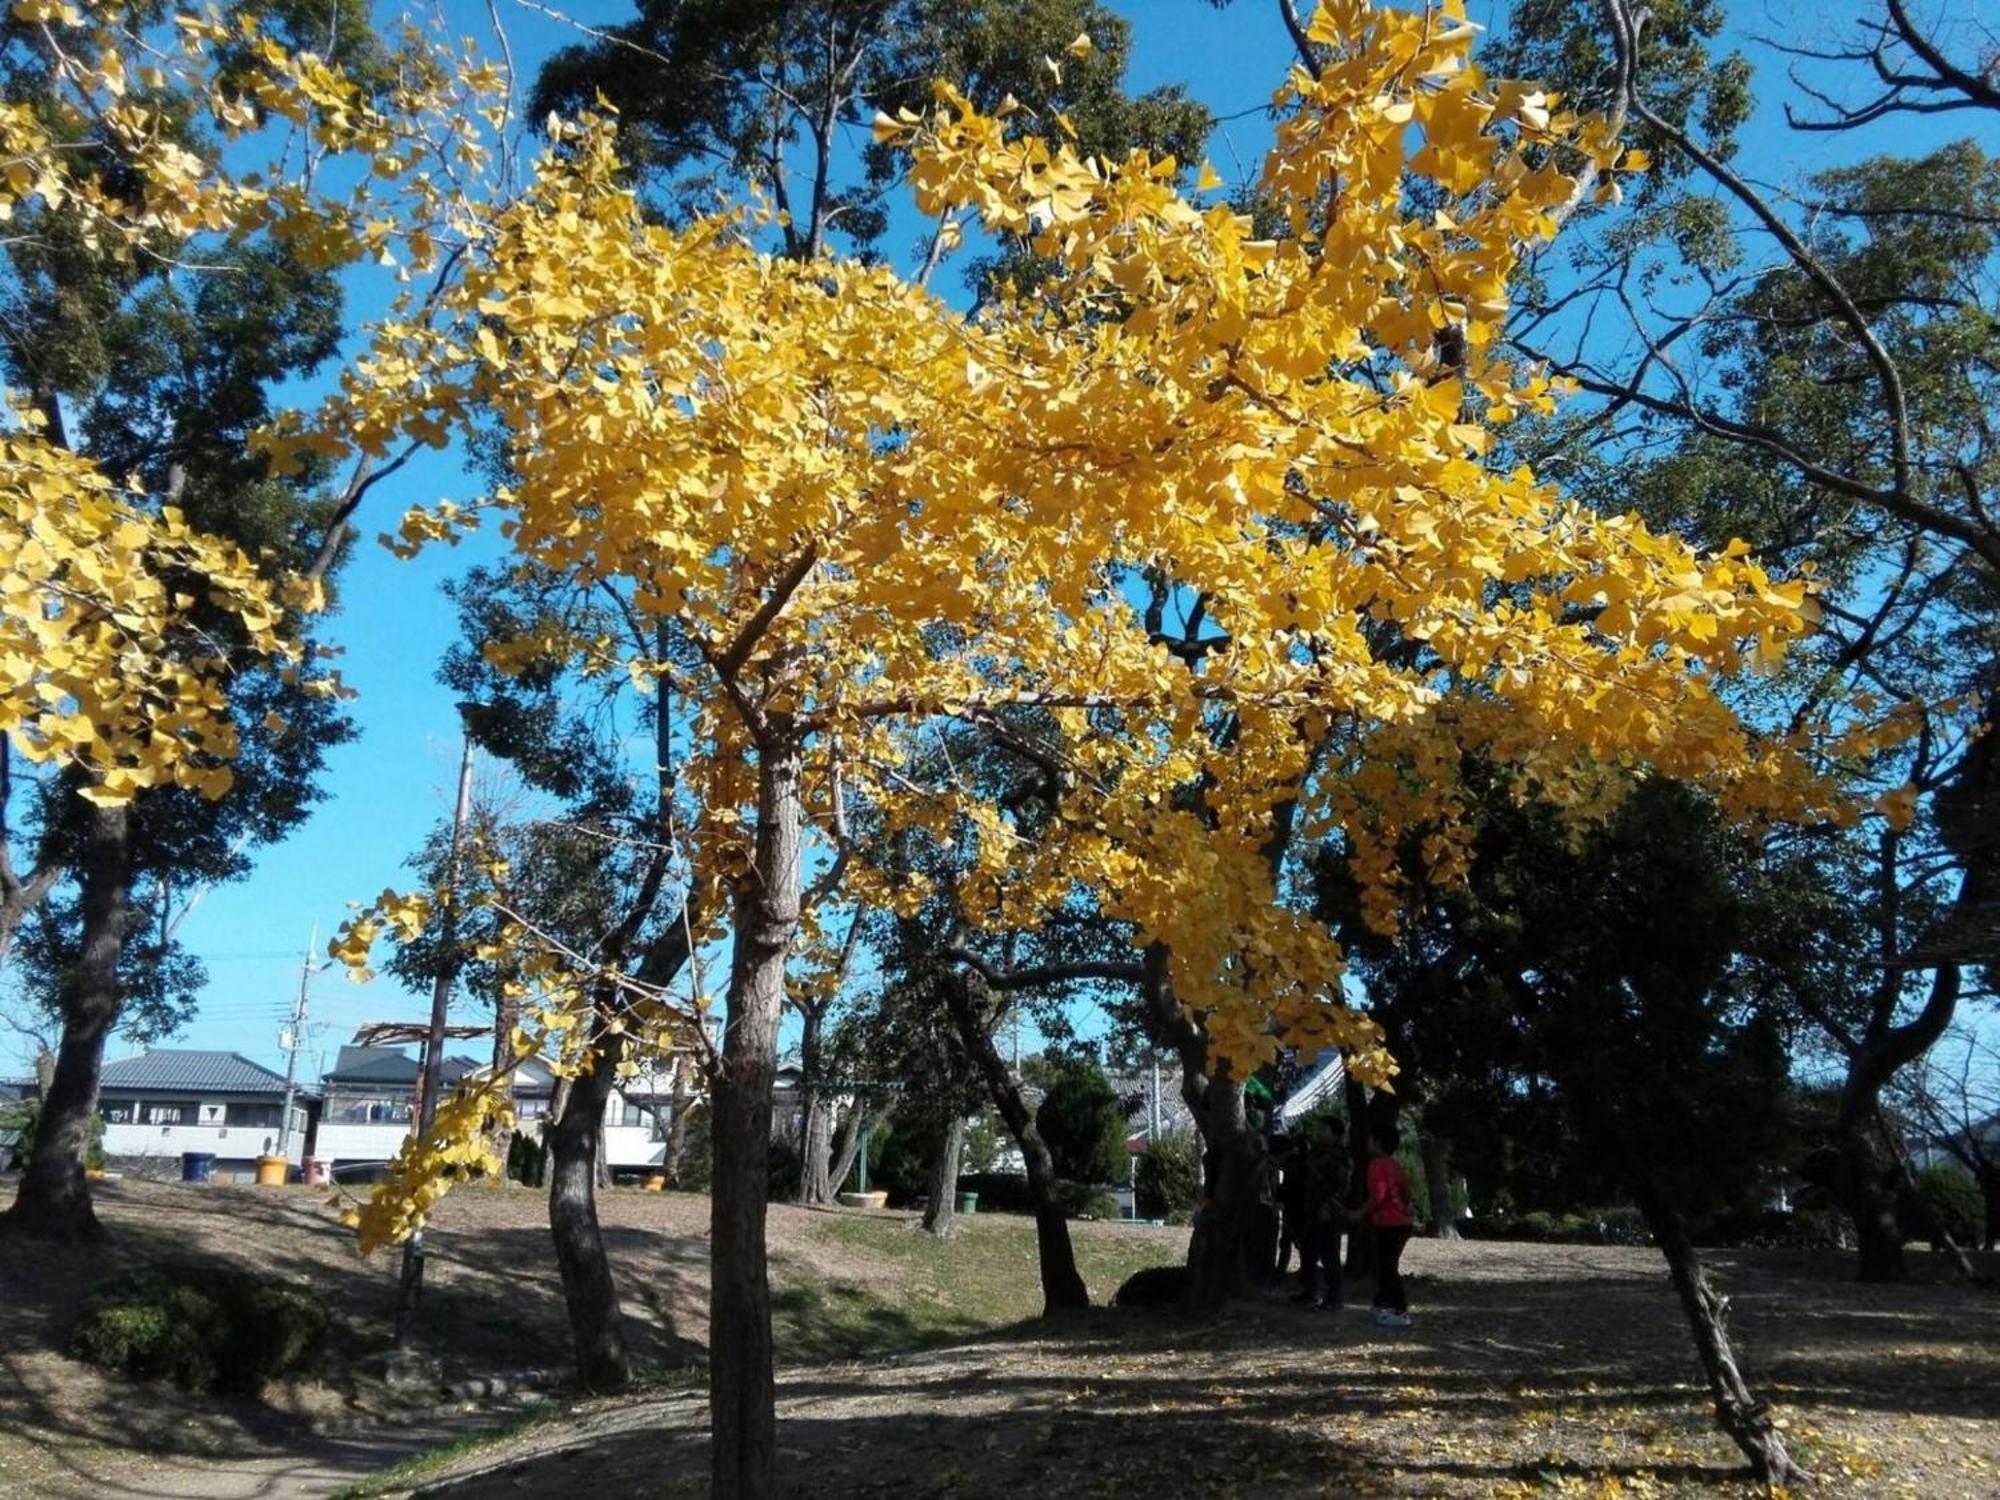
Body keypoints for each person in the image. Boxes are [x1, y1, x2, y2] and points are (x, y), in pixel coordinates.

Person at [1352, 1126, 1415, 1327]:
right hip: (1403, 1223)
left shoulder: (1376, 1165)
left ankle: (1399, 1310)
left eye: (1370, 1139)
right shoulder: (1395, 1165)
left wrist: (1360, 1212)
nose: (1367, 1143)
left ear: (1378, 1142)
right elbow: (1405, 1192)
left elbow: (1378, 1196)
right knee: (1388, 1265)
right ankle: (1382, 1303)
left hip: (1388, 1223)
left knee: (1387, 1267)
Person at [1291, 1123, 1348, 1309]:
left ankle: (1334, 1297)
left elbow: (1341, 1186)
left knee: (1329, 1254)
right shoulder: (1316, 1152)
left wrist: (1328, 1205)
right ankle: (1309, 1291)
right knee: (1308, 1252)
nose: (1320, 1132)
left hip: (1328, 1211)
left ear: (1336, 1135)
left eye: (1324, 1129)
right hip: (1311, 1209)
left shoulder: (1339, 1156)